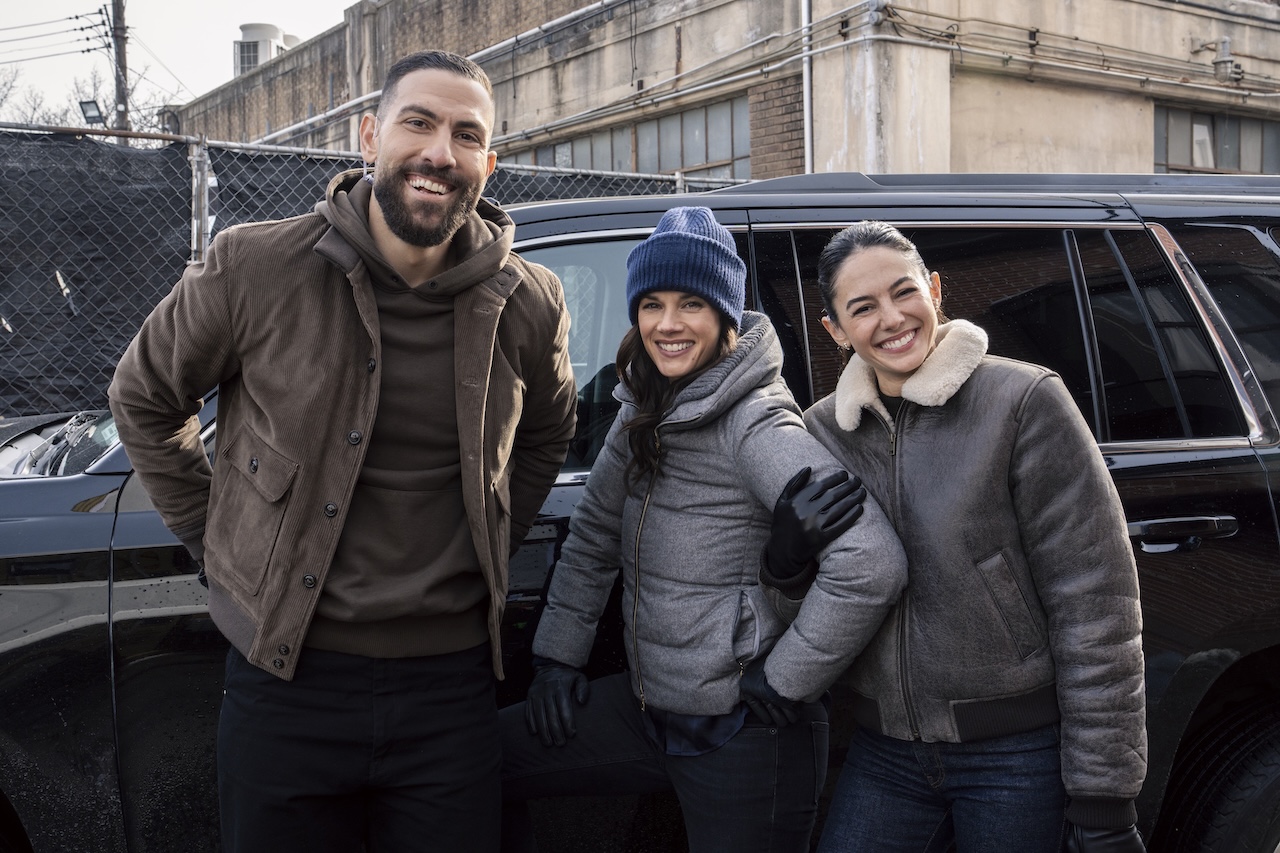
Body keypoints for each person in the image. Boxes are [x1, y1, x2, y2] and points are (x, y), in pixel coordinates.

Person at [107, 50, 577, 853]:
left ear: (488, 165)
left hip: (451, 693)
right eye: (418, 123)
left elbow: (547, 435)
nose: (440, 152)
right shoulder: (254, 266)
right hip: (288, 683)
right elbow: (145, 398)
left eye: (467, 135)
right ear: (369, 135)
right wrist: (224, 545)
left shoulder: (529, 301)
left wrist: (491, 523)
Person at [499, 206, 909, 853]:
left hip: (744, 732)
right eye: (652, 303)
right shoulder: (641, 407)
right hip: (647, 711)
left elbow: (873, 561)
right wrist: (556, 660)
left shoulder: (755, 423)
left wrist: (786, 677)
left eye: (691, 302)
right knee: (473, 764)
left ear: (723, 315)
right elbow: (595, 537)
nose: (668, 323)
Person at [764, 220, 1147, 852]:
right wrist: (785, 566)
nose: (891, 318)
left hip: (1015, 754)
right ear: (835, 330)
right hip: (885, 753)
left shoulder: (1022, 401)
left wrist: (1105, 795)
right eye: (863, 308)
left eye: (903, 292)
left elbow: (1097, 606)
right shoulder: (822, 432)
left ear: (935, 290)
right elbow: (817, 613)